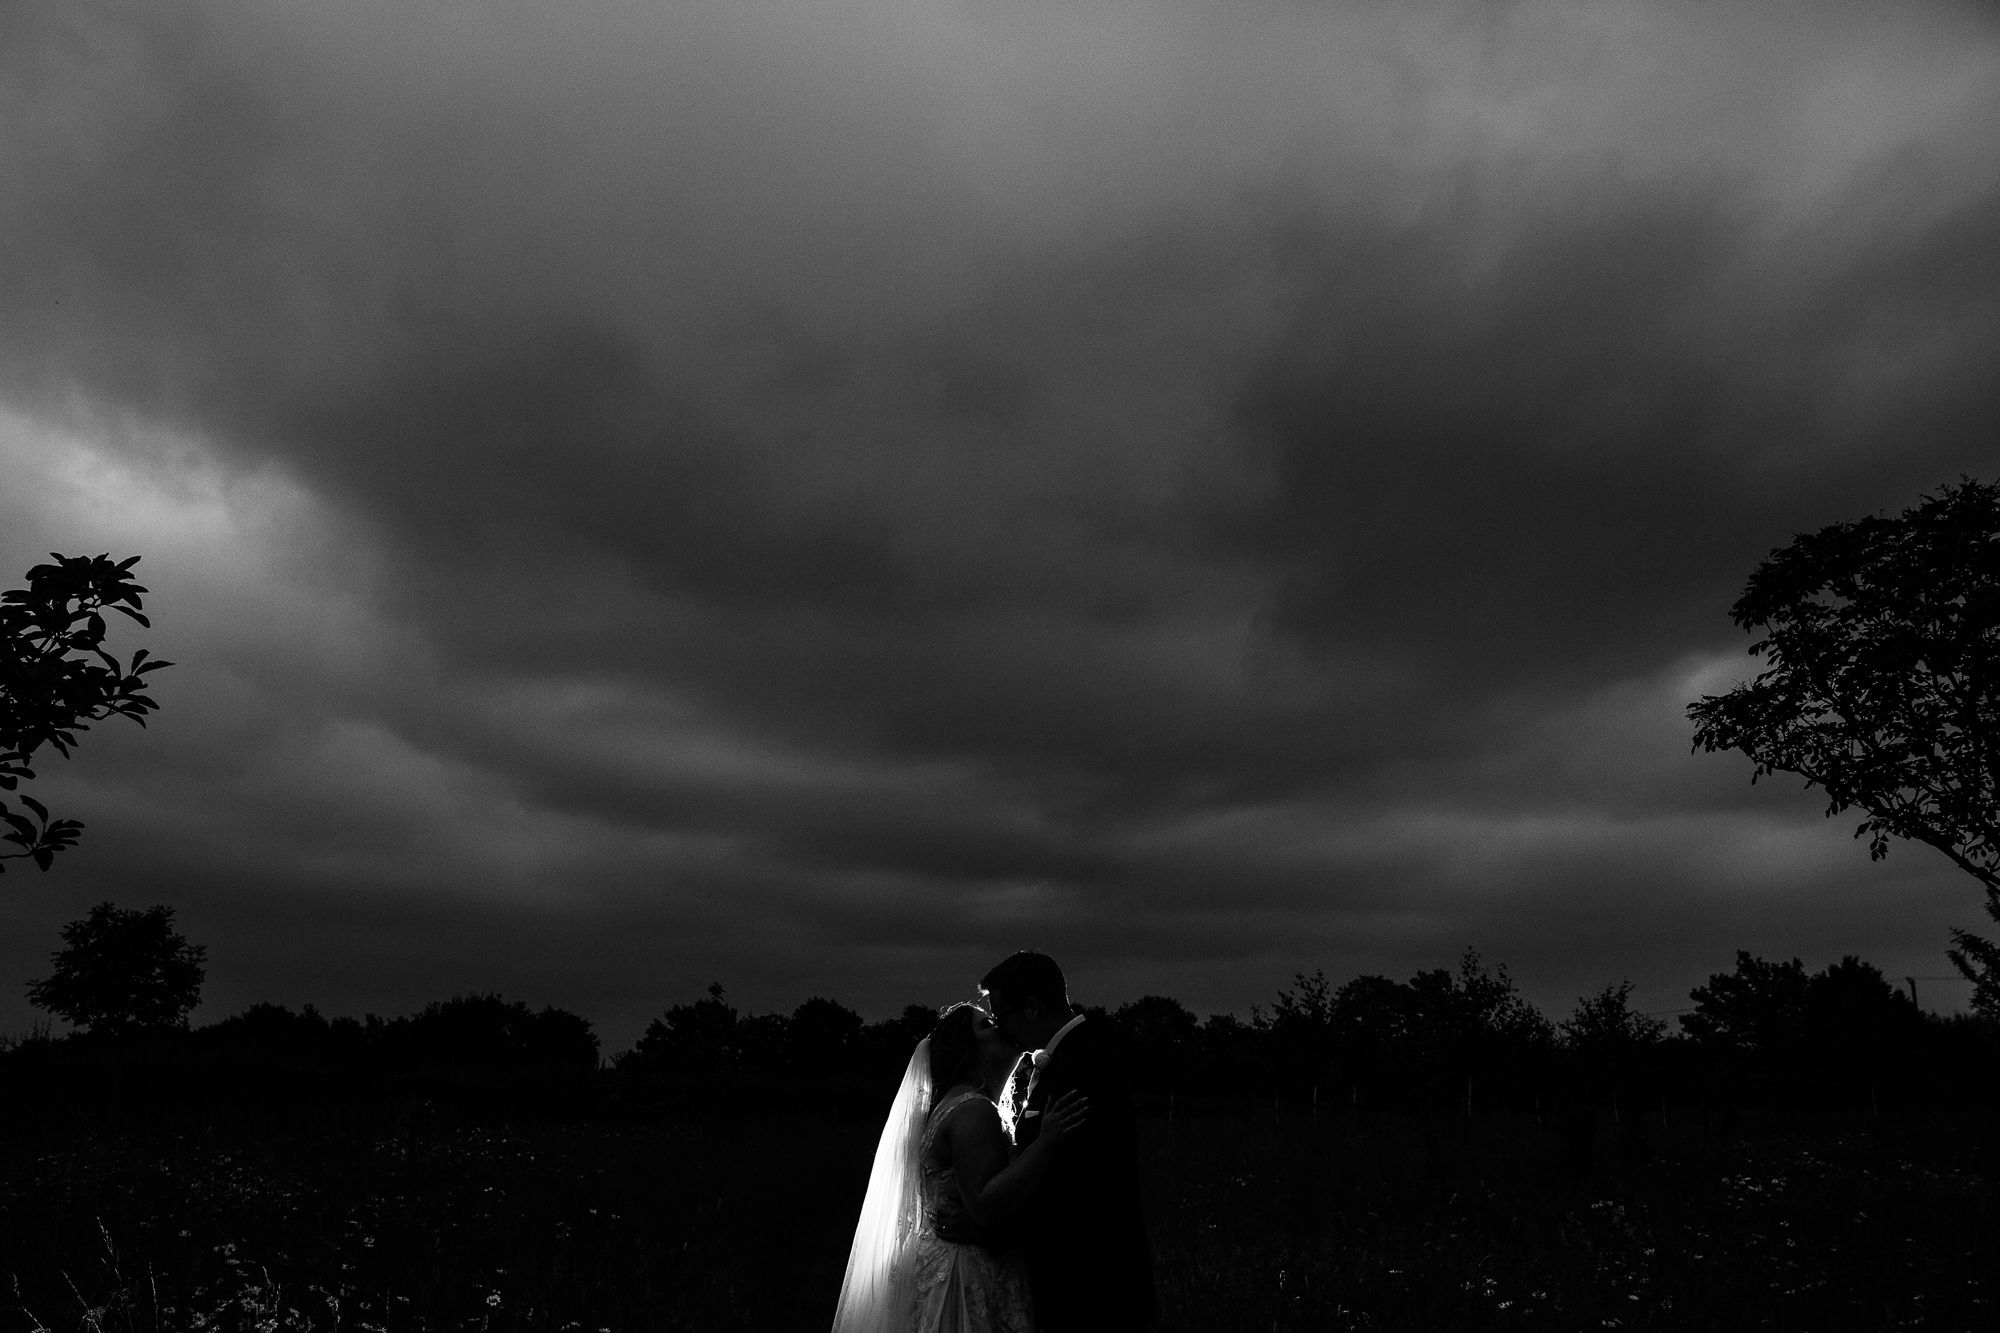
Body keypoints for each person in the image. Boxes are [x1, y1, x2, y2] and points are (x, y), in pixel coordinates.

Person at [831, 1001, 1087, 1333]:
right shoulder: (972, 1110)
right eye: (987, 1026)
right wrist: (1046, 1143)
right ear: (970, 1051)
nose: (1002, 1028)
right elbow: (983, 1204)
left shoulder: (959, 1104)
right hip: (967, 1273)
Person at [981, 951, 1156, 1332]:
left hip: (1094, 1281)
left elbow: (1072, 1182)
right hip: (1080, 1276)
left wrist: (984, 1232)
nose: (999, 1029)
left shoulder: (1086, 1061)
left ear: (1031, 1008)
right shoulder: (1072, 1055)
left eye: (1000, 1017)